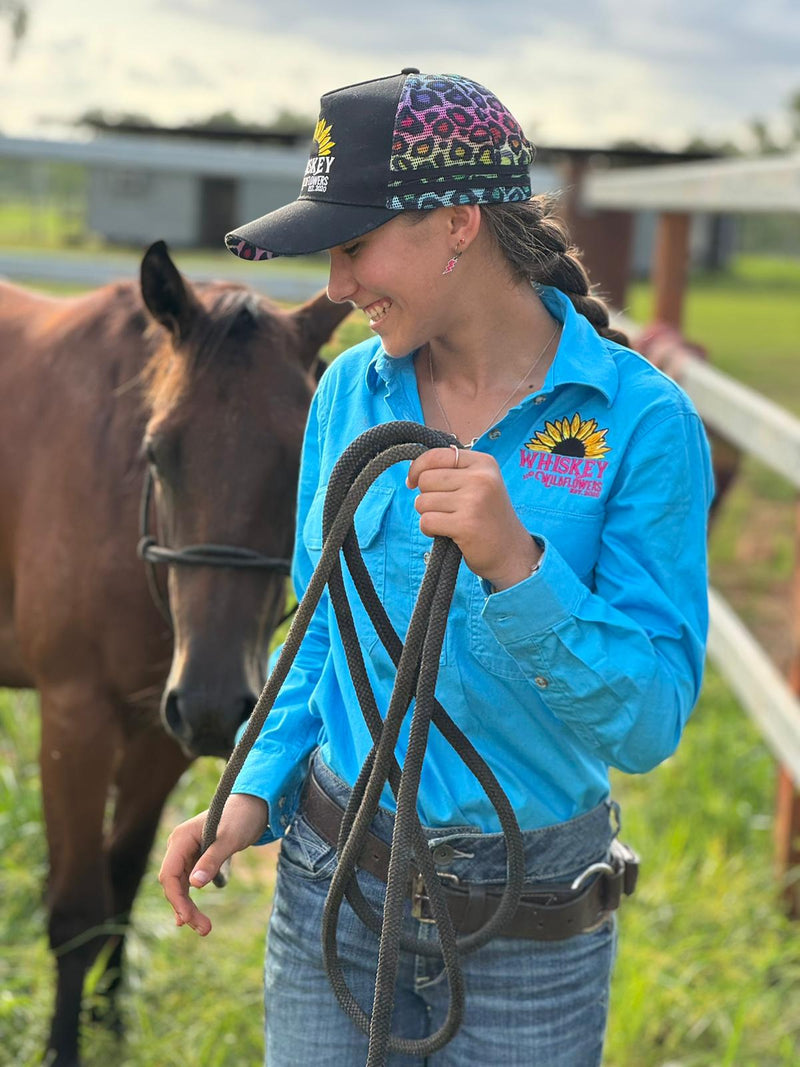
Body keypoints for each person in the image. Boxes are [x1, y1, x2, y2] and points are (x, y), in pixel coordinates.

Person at [160, 70, 713, 1066]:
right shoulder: (346, 395)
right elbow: (320, 624)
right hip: (338, 878)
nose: (335, 286)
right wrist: (254, 782)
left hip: (531, 921)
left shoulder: (640, 424)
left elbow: (647, 721)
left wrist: (517, 563)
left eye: (354, 245)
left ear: (456, 222)